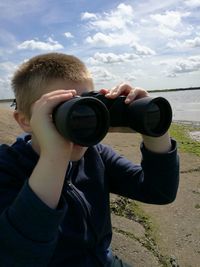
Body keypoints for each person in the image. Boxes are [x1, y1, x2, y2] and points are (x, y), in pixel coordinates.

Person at [0, 53, 179, 267]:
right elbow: (18, 259)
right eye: (63, 108)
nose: (81, 118)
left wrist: (152, 127)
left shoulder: (96, 154)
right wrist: (54, 157)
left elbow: (159, 191)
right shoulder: (6, 168)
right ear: (25, 121)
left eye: (88, 105)